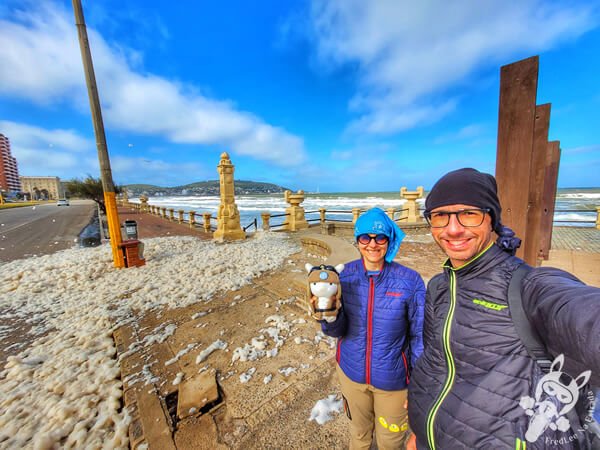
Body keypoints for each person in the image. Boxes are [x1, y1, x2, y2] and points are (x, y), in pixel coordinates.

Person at [407, 168, 600, 449]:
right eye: (440, 216)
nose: (452, 228)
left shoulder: (529, 286)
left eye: (468, 213)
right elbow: (435, 360)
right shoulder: (439, 286)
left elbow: (584, 318)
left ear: (491, 220)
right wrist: (420, 430)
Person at [314, 207, 426, 449]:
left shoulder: (410, 281)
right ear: (357, 240)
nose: (372, 244)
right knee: (359, 436)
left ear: (389, 240)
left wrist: (418, 383)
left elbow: (419, 336)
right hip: (351, 375)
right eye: (365, 237)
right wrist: (328, 317)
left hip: (394, 383)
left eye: (380, 238)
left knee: (390, 442)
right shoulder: (344, 276)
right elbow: (336, 331)